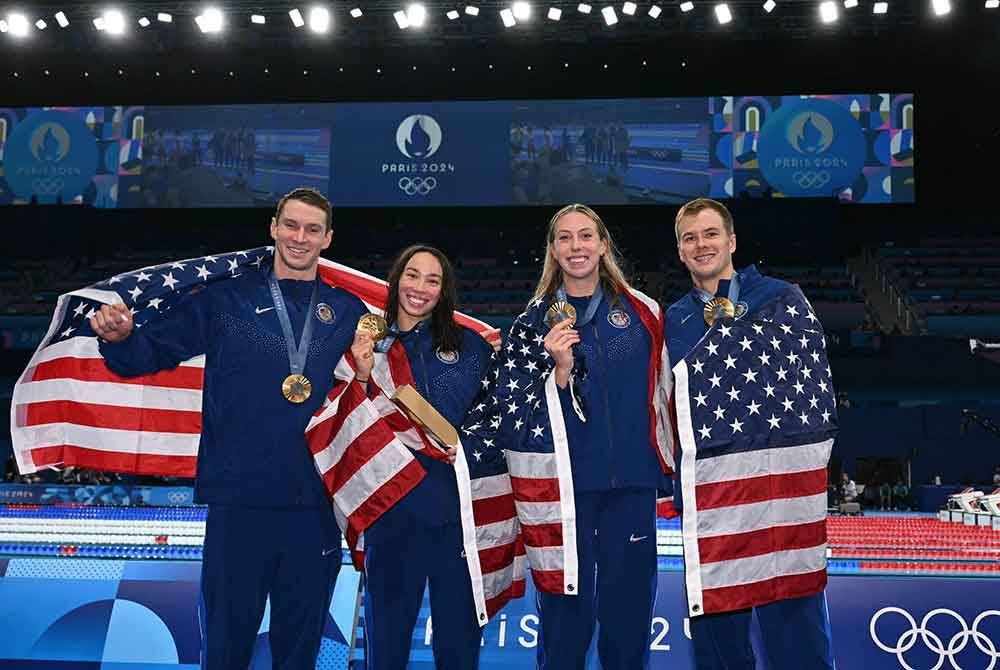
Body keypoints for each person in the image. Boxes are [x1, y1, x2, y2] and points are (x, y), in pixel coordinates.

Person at [90, 187, 368, 669]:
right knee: (225, 645)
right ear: (273, 228)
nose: (300, 238)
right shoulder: (225, 300)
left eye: (312, 229)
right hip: (239, 503)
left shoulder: (348, 313)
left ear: (328, 239)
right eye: (292, 226)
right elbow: (152, 352)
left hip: (316, 504)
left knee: (299, 650)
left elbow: (375, 391)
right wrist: (121, 339)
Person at [500, 204, 673, 669]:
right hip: (565, 494)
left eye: (584, 237)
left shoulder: (643, 311)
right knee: (565, 621)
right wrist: (559, 374)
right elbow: (515, 413)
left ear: (602, 244)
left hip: (630, 488)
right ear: (553, 250)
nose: (575, 247)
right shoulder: (531, 322)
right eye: (564, 238)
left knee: (629, 617)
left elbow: (664, 393)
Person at [664, 197, 835, 670]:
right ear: (680, 251)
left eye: (711, 234)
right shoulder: (673, 319)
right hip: (715, 499)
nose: (702, 245)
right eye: (690, 238)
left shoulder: (780, 298)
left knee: (796, 629)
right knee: (719, 636)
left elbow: (812, 386)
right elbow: (664, 404)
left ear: (732, 241)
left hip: (780, 493)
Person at [352, 245, 493, 670]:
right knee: (387, 642)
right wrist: (360, 375)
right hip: (390, 508)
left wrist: (468, 444)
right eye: (412, 276)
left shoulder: (469, 346)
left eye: (433, 280)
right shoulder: (366, 346)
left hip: (456, 514)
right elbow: (346, 424)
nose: (420, 288)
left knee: (458, 644)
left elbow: (494, 414)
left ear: (444, 290)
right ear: (396, 280)